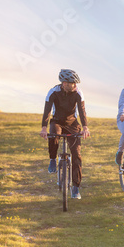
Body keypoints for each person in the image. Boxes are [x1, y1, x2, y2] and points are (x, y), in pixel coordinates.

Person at [40, 69, 90, 199]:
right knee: (54, 134)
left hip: (72, 123)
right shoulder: (53, 92)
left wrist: (85, 127)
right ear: (63, 83)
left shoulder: (78, 93)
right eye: (70, 83)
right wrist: (44, 128)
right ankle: (52, 159)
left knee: (76, 154)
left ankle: (75, 187)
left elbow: (82, 111)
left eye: (74, 83)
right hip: (57, 121)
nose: (73, 85)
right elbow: (47, 111)